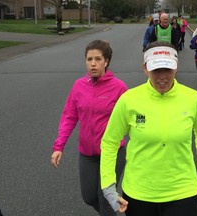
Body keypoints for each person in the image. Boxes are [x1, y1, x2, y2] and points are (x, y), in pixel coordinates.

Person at [100, 41, 197, 216]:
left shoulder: (193, 99)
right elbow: (110, 142)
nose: (162, 77)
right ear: (145, 68)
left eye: (167, 69)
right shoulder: (129, 100)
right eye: (156, 70)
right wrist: (108, 186)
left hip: (182, 193)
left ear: (176, 67)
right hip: (139, 194)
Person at [50, 40, 127, 216]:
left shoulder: (119, 88)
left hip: (112, 153)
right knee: (89, 197)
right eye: (89, 59)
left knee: (105, 197)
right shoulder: (78, 86)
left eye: (98, 59)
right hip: (87, 153)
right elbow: (69, 117)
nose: (93, 63)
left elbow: (131, 120)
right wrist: (58, 147)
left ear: (106, 61)